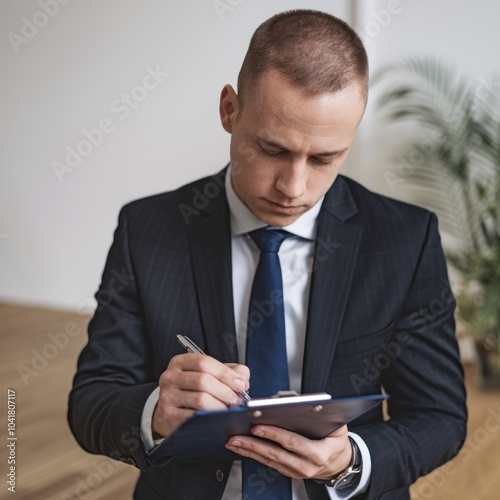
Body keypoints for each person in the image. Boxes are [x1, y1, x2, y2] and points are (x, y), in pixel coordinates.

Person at [68, 9, 467, 500]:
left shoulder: (405, 239)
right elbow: (90, 403)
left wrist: (350, 461)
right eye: (273, 149)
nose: (294, 187)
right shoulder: (147, 229)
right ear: (229, 110)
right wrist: (154, 410)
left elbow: (440, 417)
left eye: (324, 158)